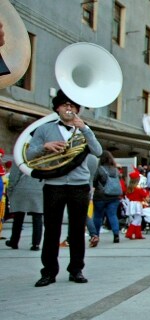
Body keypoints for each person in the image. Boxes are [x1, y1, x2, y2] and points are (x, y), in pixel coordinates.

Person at [29, 90, 102, 287]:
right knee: (51, 229)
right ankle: (49, 272)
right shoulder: (44, 129)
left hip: (79, 185)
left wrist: (86, 129)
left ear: (78, 110)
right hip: (54, 185)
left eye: (72, 105)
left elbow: (98, 151)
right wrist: (46, 146)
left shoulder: (84, 129)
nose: (68, 108)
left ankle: (76, 269)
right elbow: (30, 153)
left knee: (77, 229)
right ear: (57, 108)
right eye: (64, 105)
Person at [5, 157, 43, 251]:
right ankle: (36, 244)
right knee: (37, 217)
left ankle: (14, 241)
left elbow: (14, 176)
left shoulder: (20, 155)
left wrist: (10, 190)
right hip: (39, 189)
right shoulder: (46, 155)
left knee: (18, 217)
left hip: (21, 189)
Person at [92, 151, 122, 244]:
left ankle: (96, 235)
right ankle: (116, 235)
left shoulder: (100, 169)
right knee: (113, 215)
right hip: (114, 196)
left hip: (100, 196)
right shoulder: (115, 170)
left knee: (97, 216)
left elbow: (94, 181)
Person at [123, 171, 148, 240]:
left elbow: (127, 196)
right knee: (138, 219)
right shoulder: (138, 188)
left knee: (138, 219)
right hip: (137, 204)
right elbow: (144, 195)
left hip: (132, 203)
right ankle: (129, 233)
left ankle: (138, 234)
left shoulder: (129, 188)